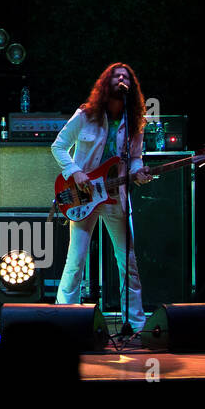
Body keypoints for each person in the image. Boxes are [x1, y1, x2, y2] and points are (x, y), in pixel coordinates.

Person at [51, 62, 152, 335]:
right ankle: (65, 319)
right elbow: (58, 145)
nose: (122, 79)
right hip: (84, 195)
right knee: (76, 259)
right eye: (117, 76)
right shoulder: (86, 114)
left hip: (116, 196)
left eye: (127, 77)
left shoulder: (135, 120)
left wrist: (138, 173)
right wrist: (75, 172)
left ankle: (136, 324)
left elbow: (135, 158)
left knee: (127, 260)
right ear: (106, 83)